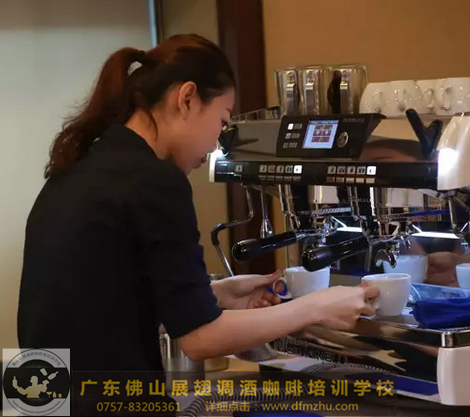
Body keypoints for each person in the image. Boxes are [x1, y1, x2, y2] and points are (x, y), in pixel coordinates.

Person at [17, 34, 379, 375]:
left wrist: (212, 296)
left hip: (43, 398)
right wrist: (316, 307)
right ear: (187, 98)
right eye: (222, 121)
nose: (214, 146)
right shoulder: (154, 180)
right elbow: (200, 339)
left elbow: (96, 300)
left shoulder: (83, 164)